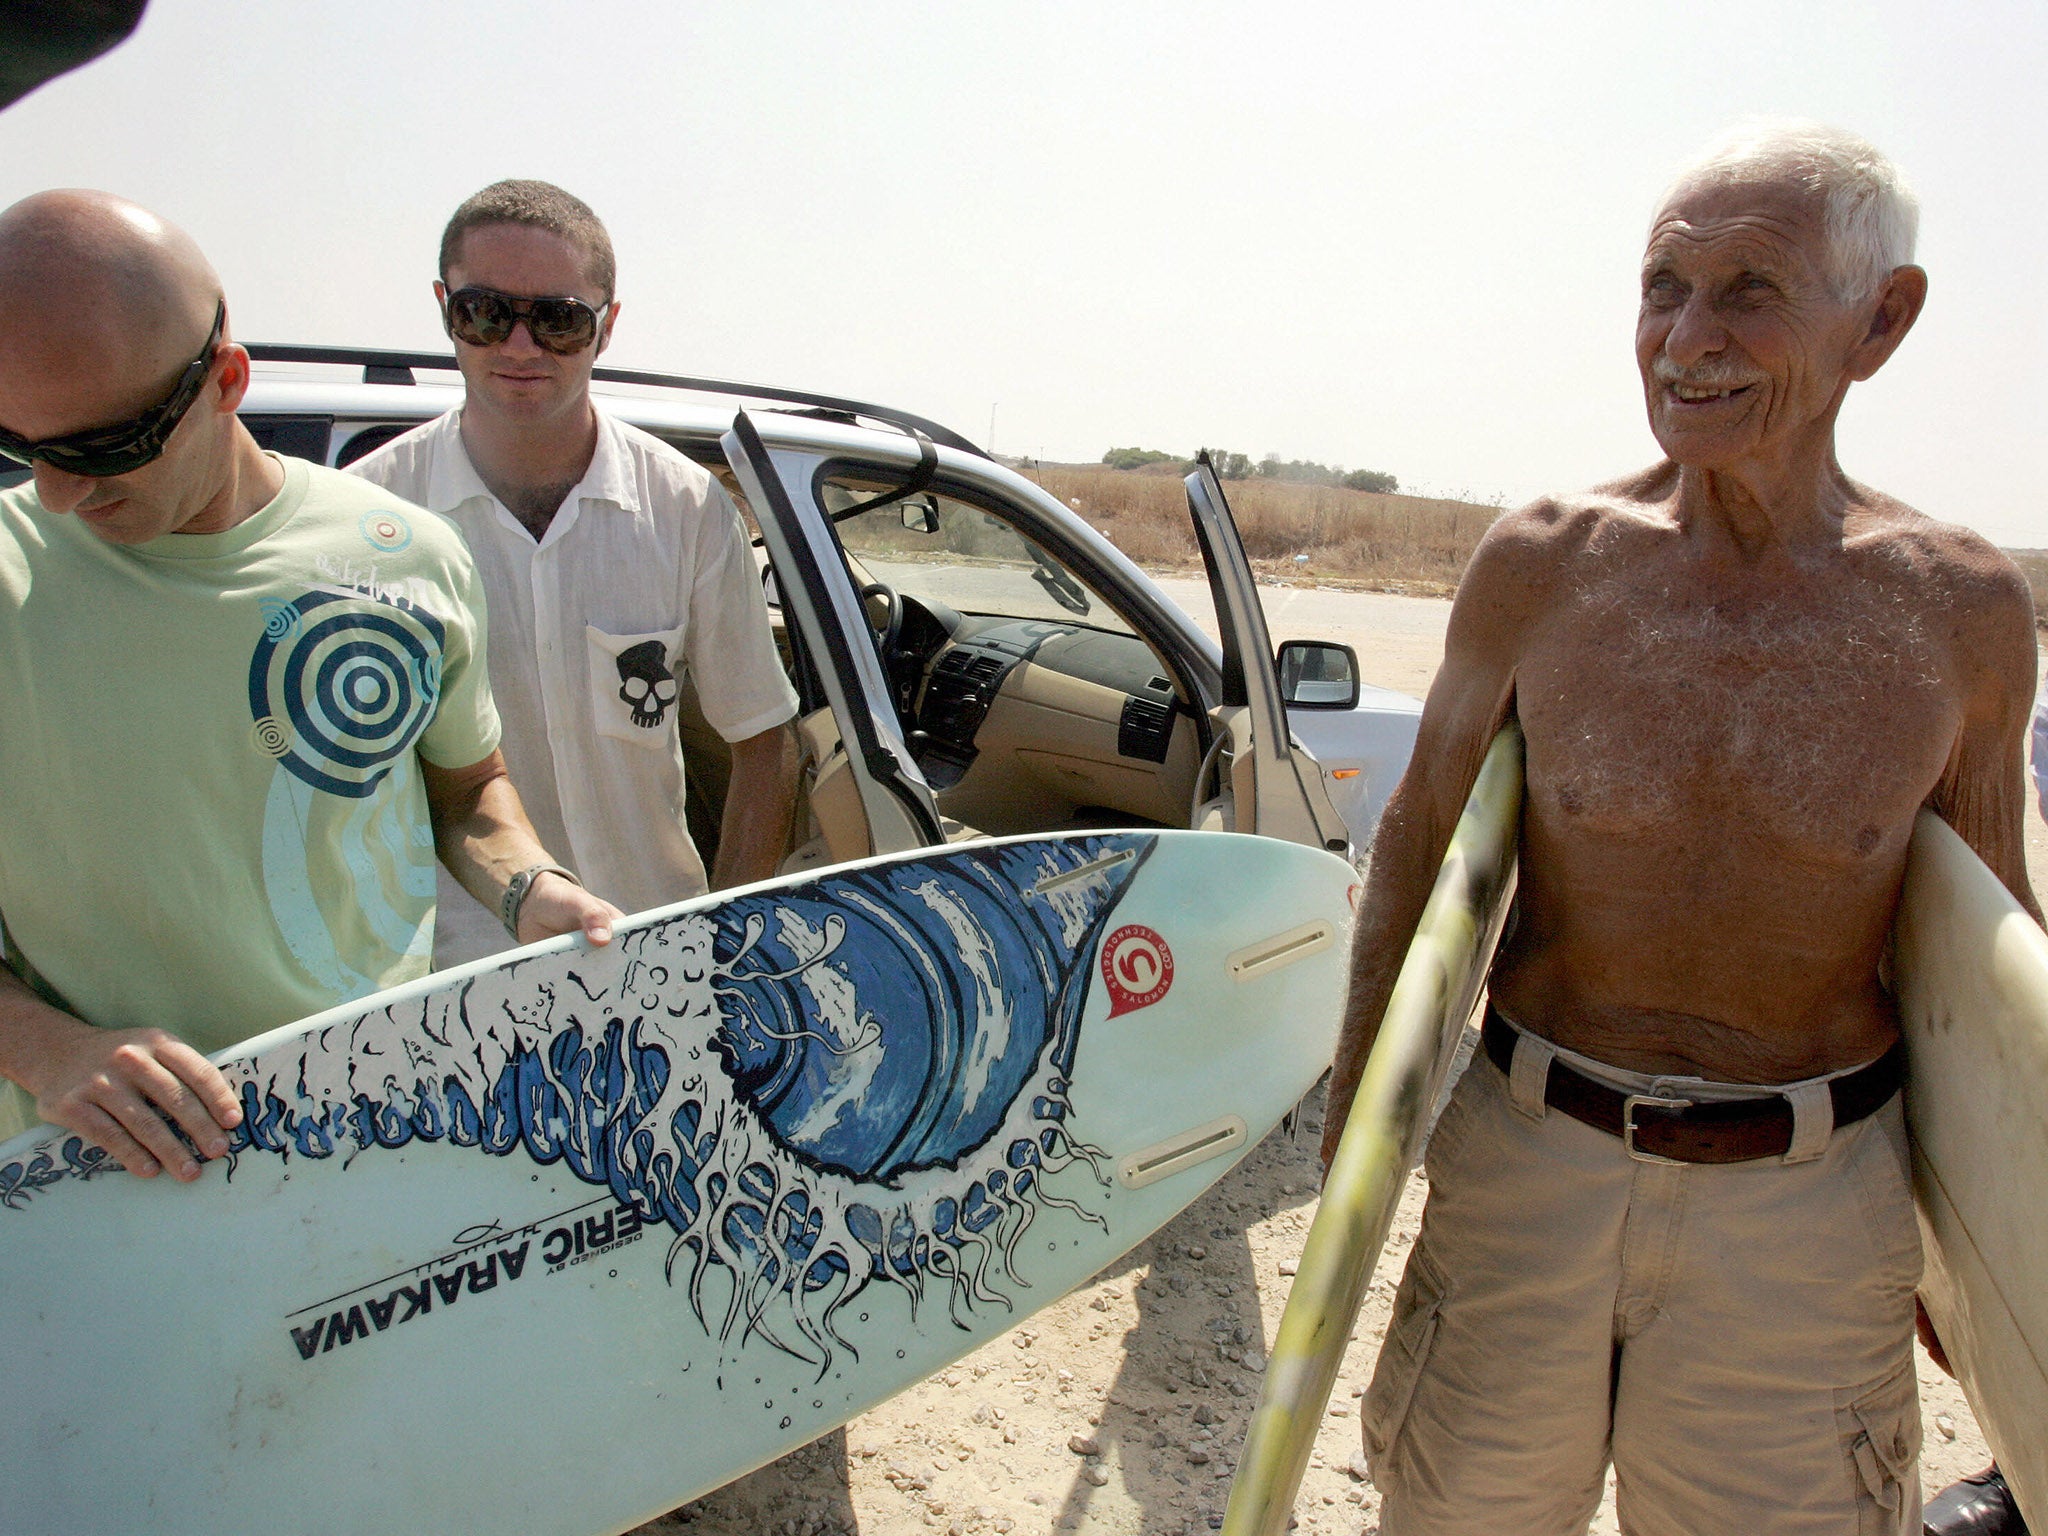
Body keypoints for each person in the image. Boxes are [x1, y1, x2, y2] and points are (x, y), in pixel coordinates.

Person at [1320, 123, 2041, 1535]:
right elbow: (1416, 839)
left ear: (1880, 321)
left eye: (1749, 292)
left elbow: (1983, 961)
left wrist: (1989, 1266)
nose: (1684, 338)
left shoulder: (1958, 616)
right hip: (1527, 1167)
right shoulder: (1547, 561)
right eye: (1662, 287)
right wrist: (1358, 1137)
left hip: (1807, 1217)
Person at [0, 190, 623, 1177]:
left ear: (224, 380)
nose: (58, 494)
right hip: (78, 1189)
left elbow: (464, 789)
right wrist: (44, 1049)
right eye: (20, 446)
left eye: (103, 449)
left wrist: (531, 891)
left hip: (365, 1153)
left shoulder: (411, 557)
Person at [348, 181, 801, 969]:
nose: (519, 347)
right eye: (485, 313)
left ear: (608, 325)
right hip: (448, 981)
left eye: (558, 319)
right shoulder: (371, 514)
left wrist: (726, 949)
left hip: (653, 959)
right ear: (443, 306)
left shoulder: (686, 508)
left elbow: (764, 741)